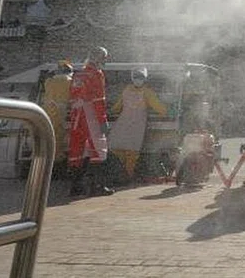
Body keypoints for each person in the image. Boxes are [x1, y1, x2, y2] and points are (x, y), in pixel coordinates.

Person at [68, 46, 113, 197]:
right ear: (100, 58)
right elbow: (99, 100)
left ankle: (76, 187)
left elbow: (72, 96)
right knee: (99, 149)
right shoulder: (96, 74)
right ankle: (97, 186)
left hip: (76, 116)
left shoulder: (78, 74)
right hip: (90, 114)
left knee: (78, 150)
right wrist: (103, 120)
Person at [108, 67, 167, 181]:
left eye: (140, 77)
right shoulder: (146, 92)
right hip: (133, 126)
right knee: (128, 152)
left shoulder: (129, 90)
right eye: (136, 77)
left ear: (144, 78)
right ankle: (125, 177)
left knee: (121, 150)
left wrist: (110, 111)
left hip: (124, 125)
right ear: (132, 78)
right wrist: (167, 111)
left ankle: (120, 176)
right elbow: (159, 108)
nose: (138, 79)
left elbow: (116, 107)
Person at [40, 60, 73, 163]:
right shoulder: (69, 81)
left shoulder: (49, 81)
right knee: (59, 132)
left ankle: (48, 154)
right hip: (61, 108)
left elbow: (46, 92)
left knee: (50, 131)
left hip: (47, 108)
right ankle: (56, 157)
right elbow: (72, 97)